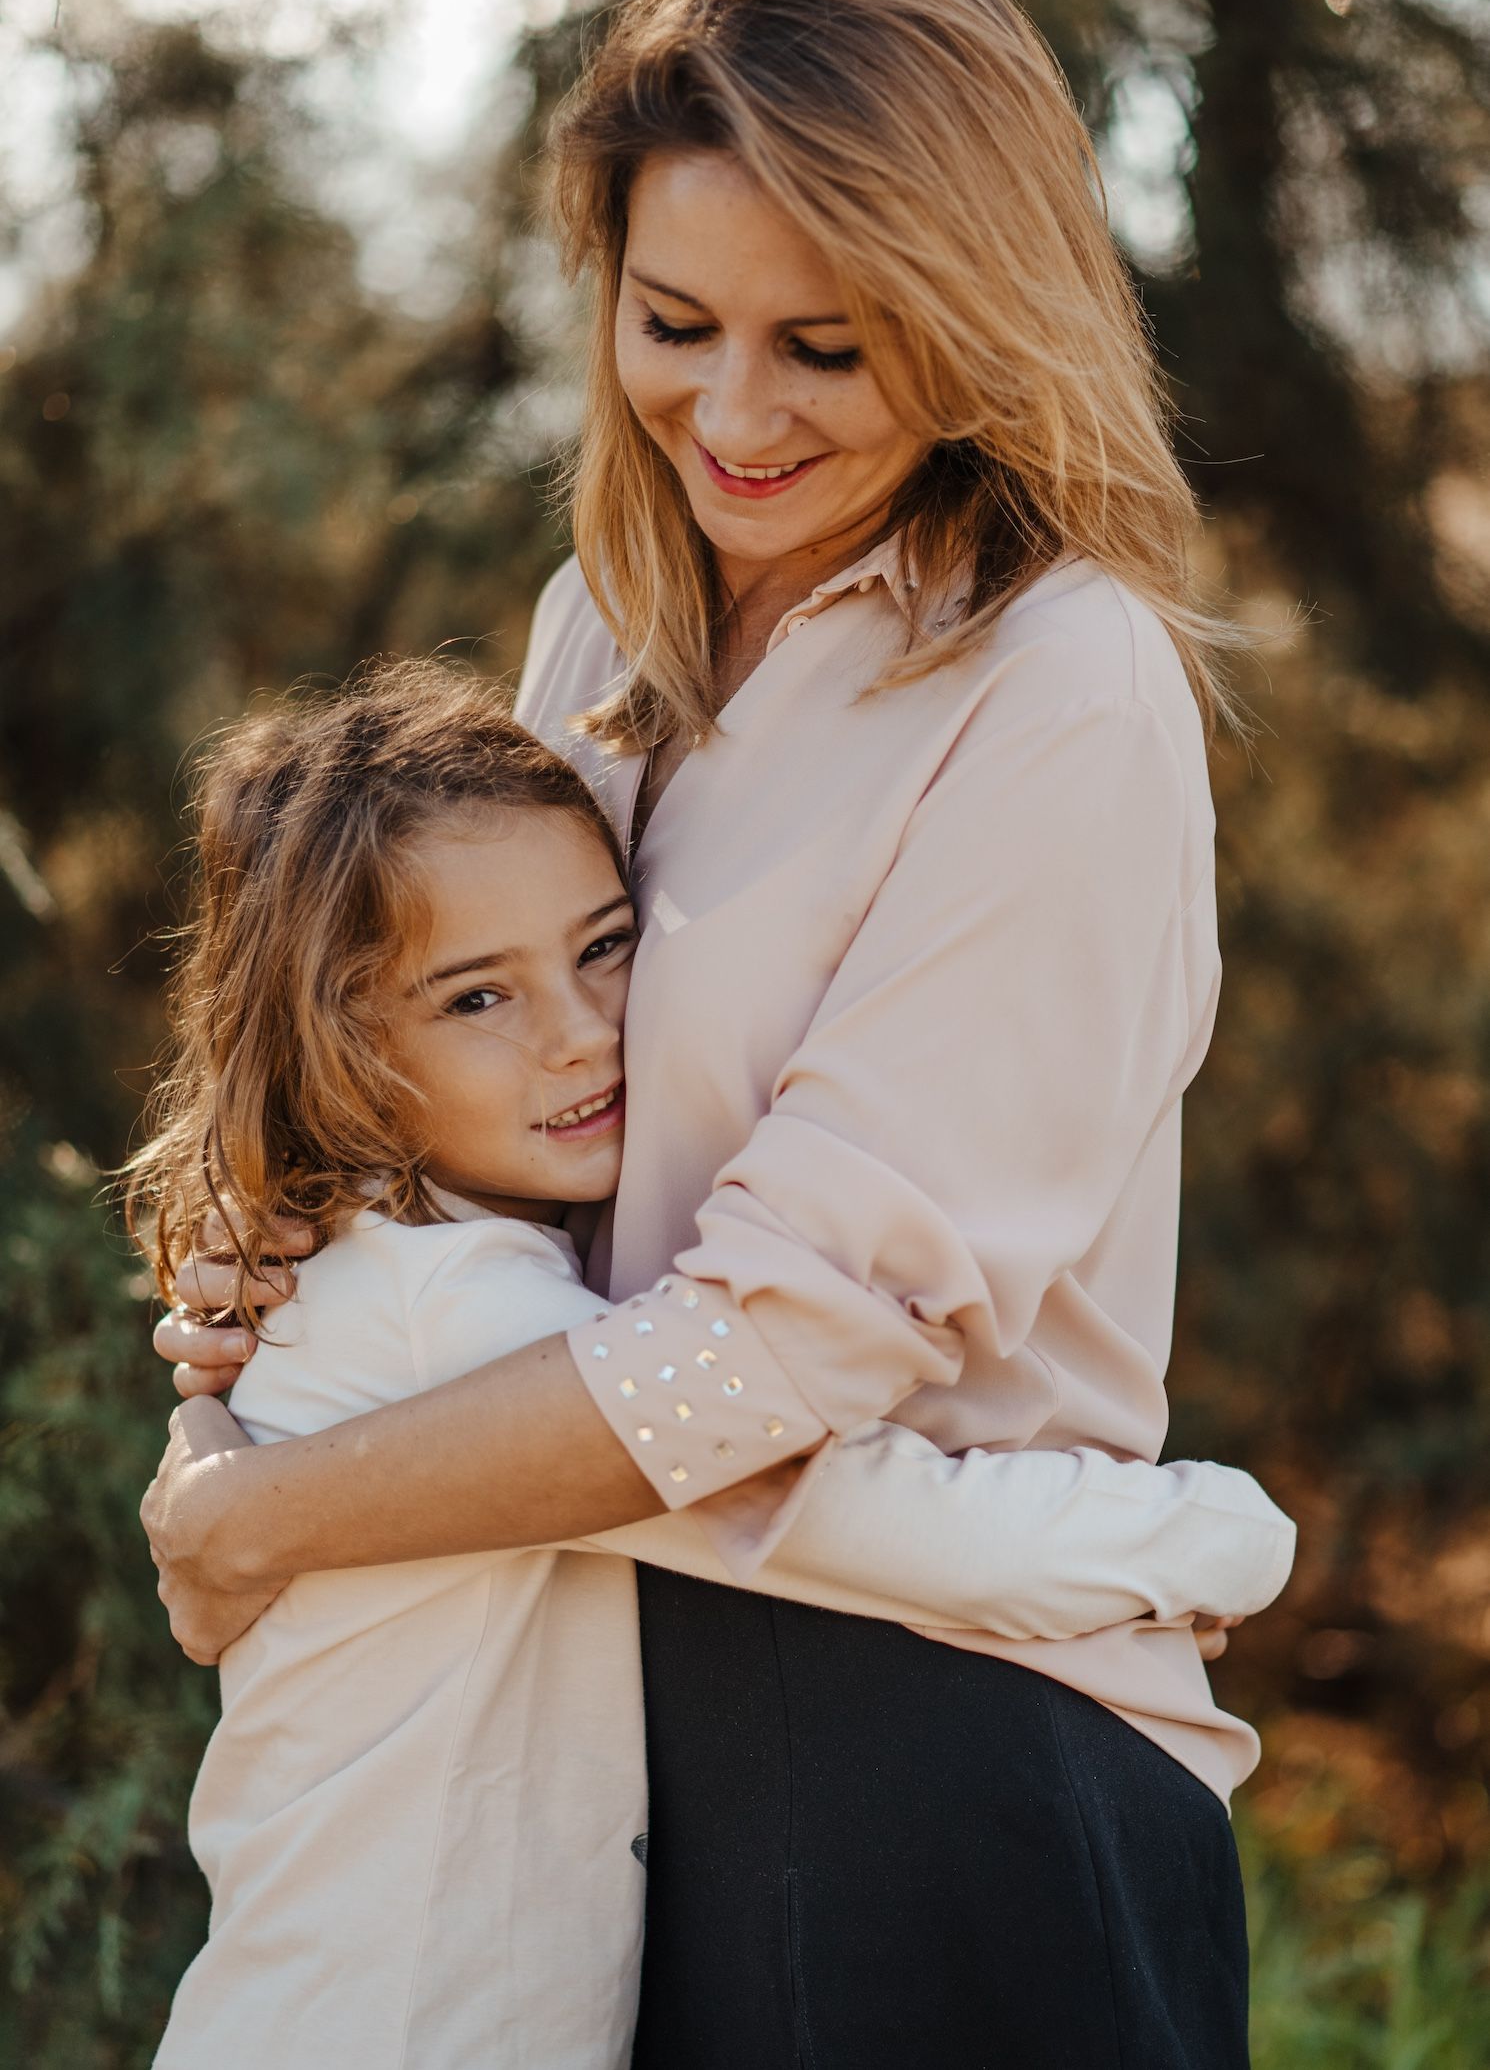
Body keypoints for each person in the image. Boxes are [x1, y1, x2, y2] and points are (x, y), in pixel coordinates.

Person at [145, 0, 1281, 2066]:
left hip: (949, 1753)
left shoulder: (1060, 685)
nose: (733, 412)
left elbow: (775, 1346)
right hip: (607, 1730)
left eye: (826, 344)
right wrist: (278, 1294)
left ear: (973, 311)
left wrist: (267, 1510)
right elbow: (468, 1093)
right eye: (674, 321)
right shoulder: (608, 625)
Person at [129, 660, 1289, 2068]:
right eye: (475, 1001)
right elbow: (854, 1521)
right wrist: (1205, 1541)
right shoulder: (453, 1307)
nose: (577, 1033)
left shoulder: (388, 1266)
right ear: (334, 1045)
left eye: (605, 946)